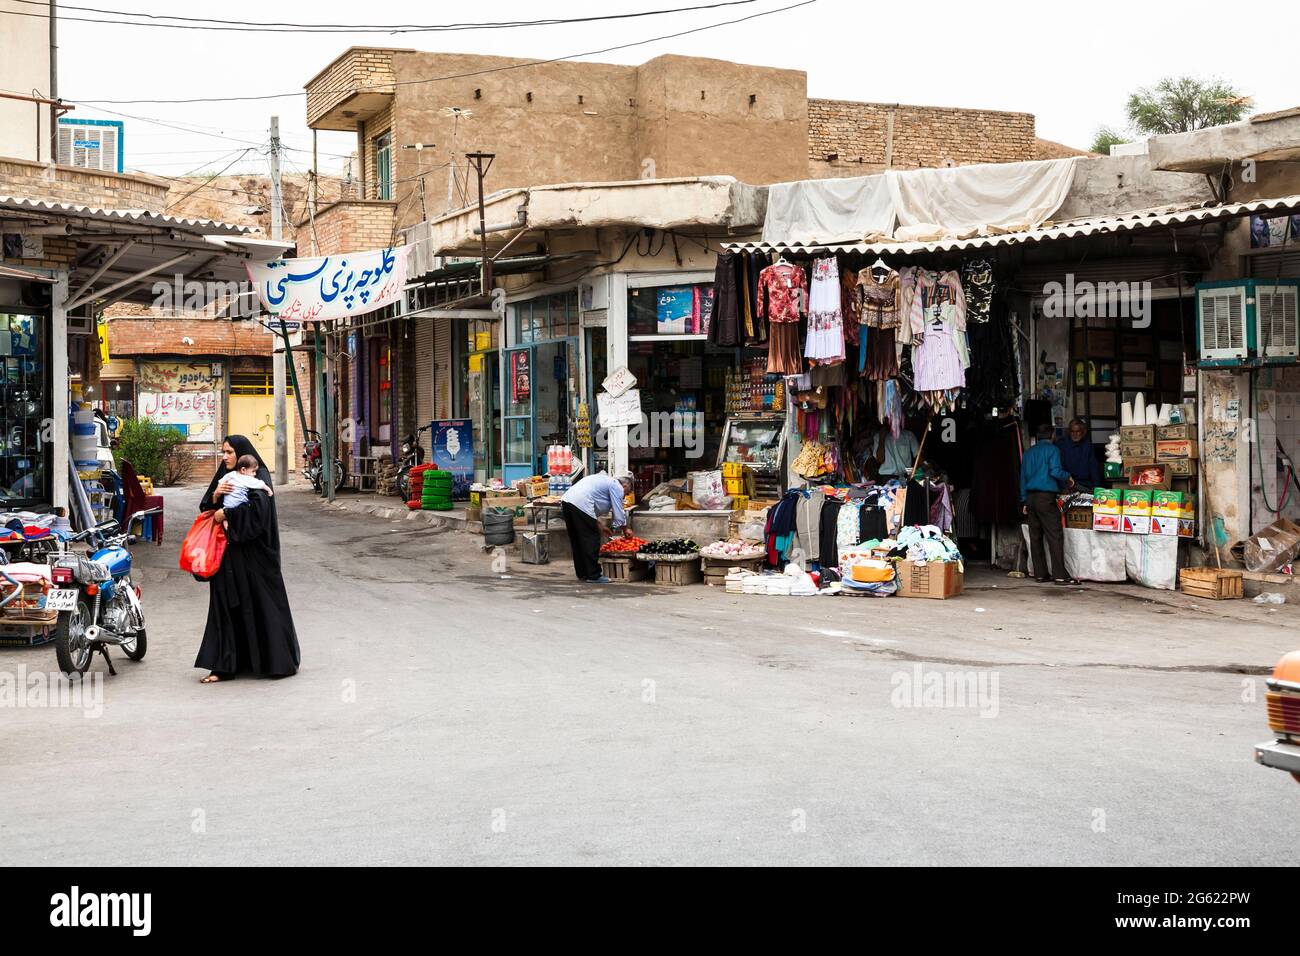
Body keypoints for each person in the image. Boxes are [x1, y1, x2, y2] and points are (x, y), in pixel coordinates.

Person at [195, 435, 301, 682]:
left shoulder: (257, 474)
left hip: (256, 556)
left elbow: (259, 512)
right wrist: (215, 497)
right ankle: (224, 665)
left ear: (240, 453)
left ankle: (274, 662)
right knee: (225, 604)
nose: (225, 457)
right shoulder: (225, 476)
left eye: (229, 452)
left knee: (263, 604)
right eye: (223, 452)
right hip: (227, 554)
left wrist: (227, 512)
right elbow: (206, 508)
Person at [1020, 423, 1077, 585]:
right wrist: (1068, 477)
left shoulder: (1028, 453)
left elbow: (1022, 478)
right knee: (1054, 536)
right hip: (1045, 497)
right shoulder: (1053, 450)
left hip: (1030, 498)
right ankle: (1059, 575)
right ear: (1052, 436)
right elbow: (1055, 471)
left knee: (1035, 536)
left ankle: (1040, 574)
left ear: (1038, 437)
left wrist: (1024, 500)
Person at [560, 470, 634, 584]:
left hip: (567, 502)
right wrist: (625, 529)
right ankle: (593, 575)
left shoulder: (604, 481)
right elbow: (618, 510)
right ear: (625, 485)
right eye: (627, 492)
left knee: (577, 540)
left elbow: (590, 511)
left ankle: (583, 573)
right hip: (580, 504)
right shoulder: (617, 486)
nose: (624, 496)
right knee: (591, 539)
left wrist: (600, 526)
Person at [220, 454, 274, 523]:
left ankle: (226, 524)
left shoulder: (231, 474)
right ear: (243, 470)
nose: (255, 474)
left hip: (227, 505)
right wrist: (269, 490)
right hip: (238, 504)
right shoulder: (247, 478)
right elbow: (260, 484)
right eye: (253, 471)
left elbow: (221, 481)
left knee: (226, 519)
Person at [1057, 418, 1102, 489]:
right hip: (1068, 484)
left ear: (1083, 432)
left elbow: (1093, 466)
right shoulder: (1062, 445)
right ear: (1069, 432)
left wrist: (1096, 486)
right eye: (1072, 431)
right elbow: (1059, 467)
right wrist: (1063, 487)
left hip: (1085, 484)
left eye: (1078, 431)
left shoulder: (1088, 445)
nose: (1075, 434)